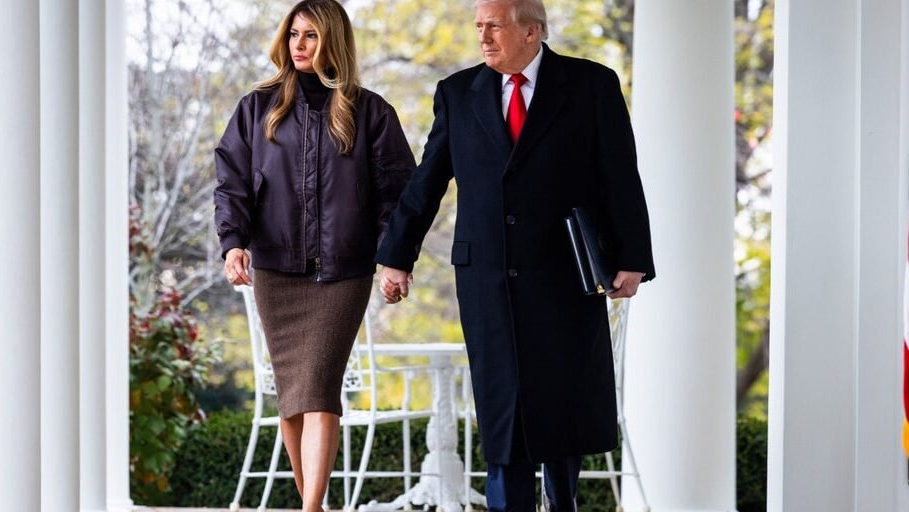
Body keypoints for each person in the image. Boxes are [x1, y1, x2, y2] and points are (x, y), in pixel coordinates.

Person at [376, 0, 655, 510]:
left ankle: (563, 501)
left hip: (565, 274)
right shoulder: (457, 92)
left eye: (495, 26)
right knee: (502, 403)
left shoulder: (591, 85)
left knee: (562, 399)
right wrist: (397, 256)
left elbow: (620, 174)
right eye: (479, 27)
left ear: (532, 32)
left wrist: (632, 256)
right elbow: (427, 181)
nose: (483, 37)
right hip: (486, 277)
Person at [213, 1, 414, 510]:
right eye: (294, 34)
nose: (299, 45)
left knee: (320, 389)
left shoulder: (371, 111)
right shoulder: (257, 108)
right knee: (293, 397)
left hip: (343, 271)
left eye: (311, 36)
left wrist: (395, 259)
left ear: (333, 42)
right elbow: (232, 182)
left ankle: (308, 507)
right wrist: (232, 243)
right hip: (277, 269)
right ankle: (316, 506)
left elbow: (397, 194)